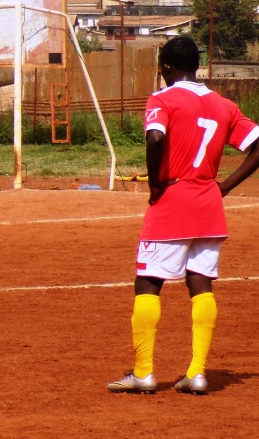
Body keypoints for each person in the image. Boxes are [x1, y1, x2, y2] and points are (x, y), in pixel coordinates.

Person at [108, 36, 259, 395]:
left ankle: (143, 373)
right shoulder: (224, 105)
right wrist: (224, 187)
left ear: (166, 67)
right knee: (200, 283)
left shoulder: (162, 99)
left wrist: (155, 185)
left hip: (173, 200)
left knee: (148, 283)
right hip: (209, 205)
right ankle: (197, 372)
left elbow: (155, 138)